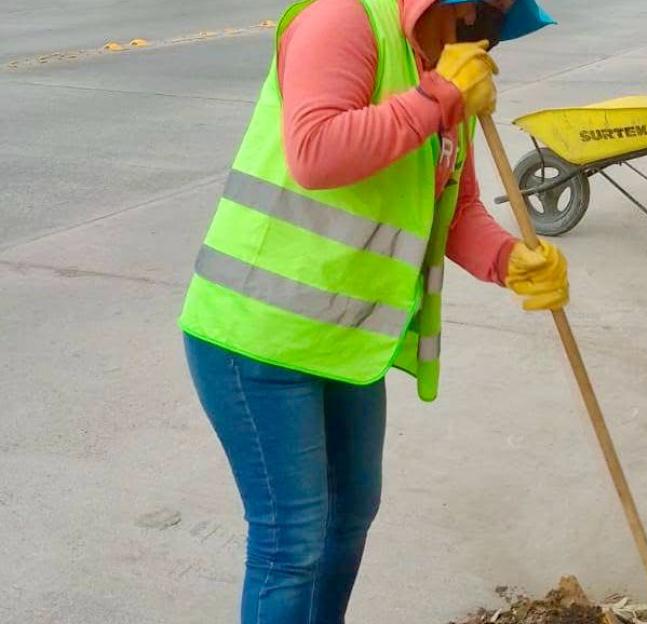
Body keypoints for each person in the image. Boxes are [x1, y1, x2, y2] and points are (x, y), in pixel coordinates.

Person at [177, 0, 561, 621]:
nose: (491, 36)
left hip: (347, 344)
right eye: (489, 16)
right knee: (290, 540)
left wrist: (511, 262)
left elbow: (454, 209)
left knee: (351, 515)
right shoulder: (343, 21)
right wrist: (437, 98)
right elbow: (314, 152)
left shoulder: (445, 76)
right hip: (257, 337)